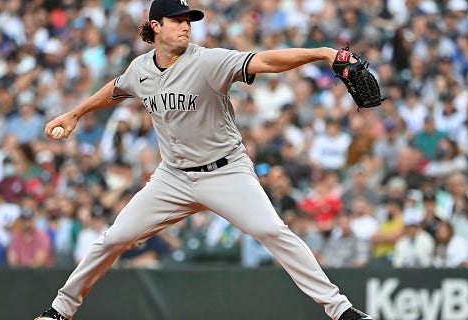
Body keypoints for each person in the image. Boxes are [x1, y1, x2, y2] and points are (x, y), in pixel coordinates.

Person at [35, 1, 372, 320]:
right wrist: (76, 112)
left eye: (189, 21)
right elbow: (118, 88)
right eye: (178, 20)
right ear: (156, 26)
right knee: (112, 240)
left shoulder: (208, 61)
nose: (186, 27)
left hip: (225, 172)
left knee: (273, 231)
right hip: (172, 178)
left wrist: (324, 53)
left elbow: (266, 61)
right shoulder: (141, 69)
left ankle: (341, 310)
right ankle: (59, 311)